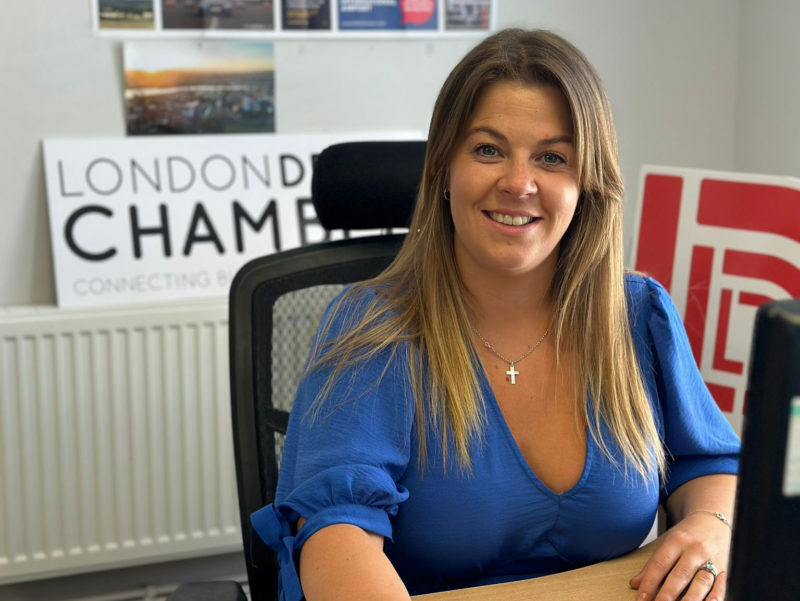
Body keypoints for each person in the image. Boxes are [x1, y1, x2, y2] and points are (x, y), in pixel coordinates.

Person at [251, 28, 739, 601]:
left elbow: (708, 463)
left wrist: (712, 525)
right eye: (488, 149)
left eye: (552, 157)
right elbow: (337, 537)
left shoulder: (636, 315)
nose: (518, 183)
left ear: (588, 184)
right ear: (444, 169)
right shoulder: (374, 333)